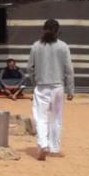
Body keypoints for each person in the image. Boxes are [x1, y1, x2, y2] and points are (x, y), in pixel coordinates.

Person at [26, 19, 75, 160]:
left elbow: (29, 68)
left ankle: (43, 145)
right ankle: (54, 148)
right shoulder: (63, 46)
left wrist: (34, 81)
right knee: (56, 119)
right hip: (58, 88)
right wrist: (70, 90)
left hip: (41, 87)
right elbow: (69, 70)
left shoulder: (36, 46)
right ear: (58, 31)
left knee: (41, 118)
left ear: (43, 30)